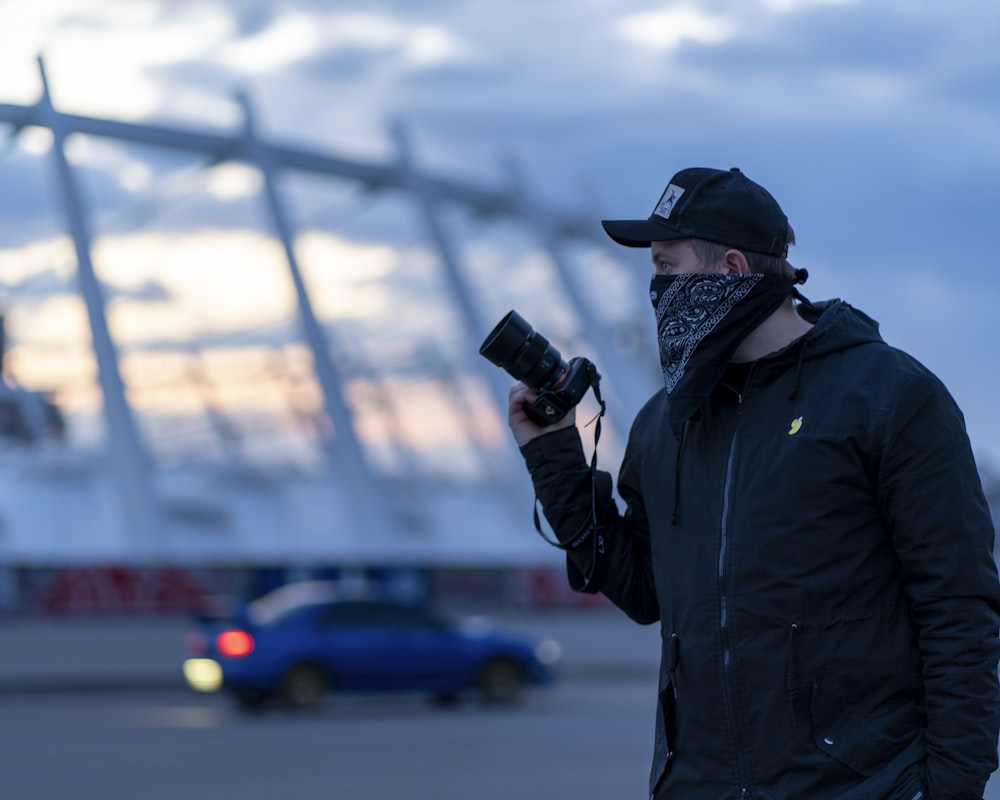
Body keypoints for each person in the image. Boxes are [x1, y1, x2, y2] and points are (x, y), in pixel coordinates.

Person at [506, 167, 1000, 800]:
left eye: (665, 266)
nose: (656, 290)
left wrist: (950, 788)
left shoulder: (890, 398)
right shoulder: (666, 422)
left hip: (861, 786)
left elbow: (958, 608)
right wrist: (553, 458)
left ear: (732, 270)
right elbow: (643, 591)